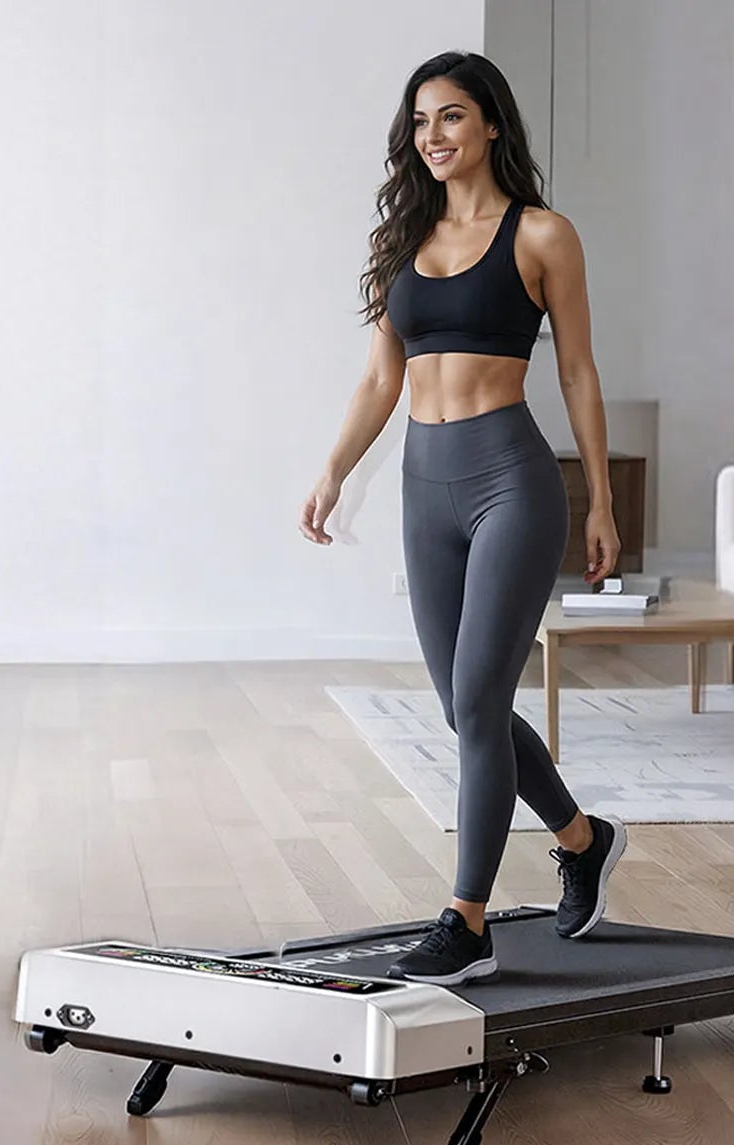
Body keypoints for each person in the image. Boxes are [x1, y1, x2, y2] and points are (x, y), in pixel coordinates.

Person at [301, 50, 623, 985]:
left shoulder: (543, 235)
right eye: (419, 122)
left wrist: (600, 497)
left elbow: (577, 371)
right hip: (422, 485)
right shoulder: (405, 241)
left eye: (449, 117)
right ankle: (582, 838)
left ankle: (466, 920)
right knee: (461, 707)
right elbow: (379, 379)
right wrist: (332, 469)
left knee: (480, 701)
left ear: (489, 124)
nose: (431, 137)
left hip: (509, 481)